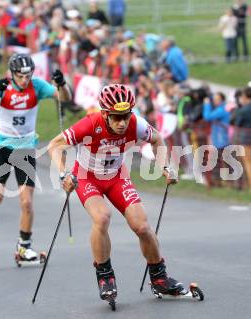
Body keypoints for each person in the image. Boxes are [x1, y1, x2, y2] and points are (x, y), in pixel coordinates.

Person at [48, 84, 184, 303]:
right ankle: (105, 275)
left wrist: (165, 168)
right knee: (102, 218)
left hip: (116, 176)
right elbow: (55, 145)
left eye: (126, 116)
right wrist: (63, 174)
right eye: (116, 117)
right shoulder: (90, 124)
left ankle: (159, 279)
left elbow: (157, 139)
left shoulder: (136, 124)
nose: (122, 123)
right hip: (87, 176)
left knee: (142, 226)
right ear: (104, 114)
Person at [0, 53, 71, 266]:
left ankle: (24, 246)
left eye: (28, 75)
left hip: (25, 150)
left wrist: (62, 85)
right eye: (21, 76)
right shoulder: (4, 85)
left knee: (26, 202)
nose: (25, 80)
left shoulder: (37, 86)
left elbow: (64, 99)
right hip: (2, 148)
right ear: (12, 73)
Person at [203, 93, 230, 186]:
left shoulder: (221, 110)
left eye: (217, 99)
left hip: (222, 140)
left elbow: (207, 117)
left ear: (222, 100)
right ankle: (217, 181)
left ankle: (220, 182)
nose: (215, 101)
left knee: (220, 161)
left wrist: (206, 105)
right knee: (219, 161)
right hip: (218, 139)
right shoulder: (219, 109)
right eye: (214, 99)